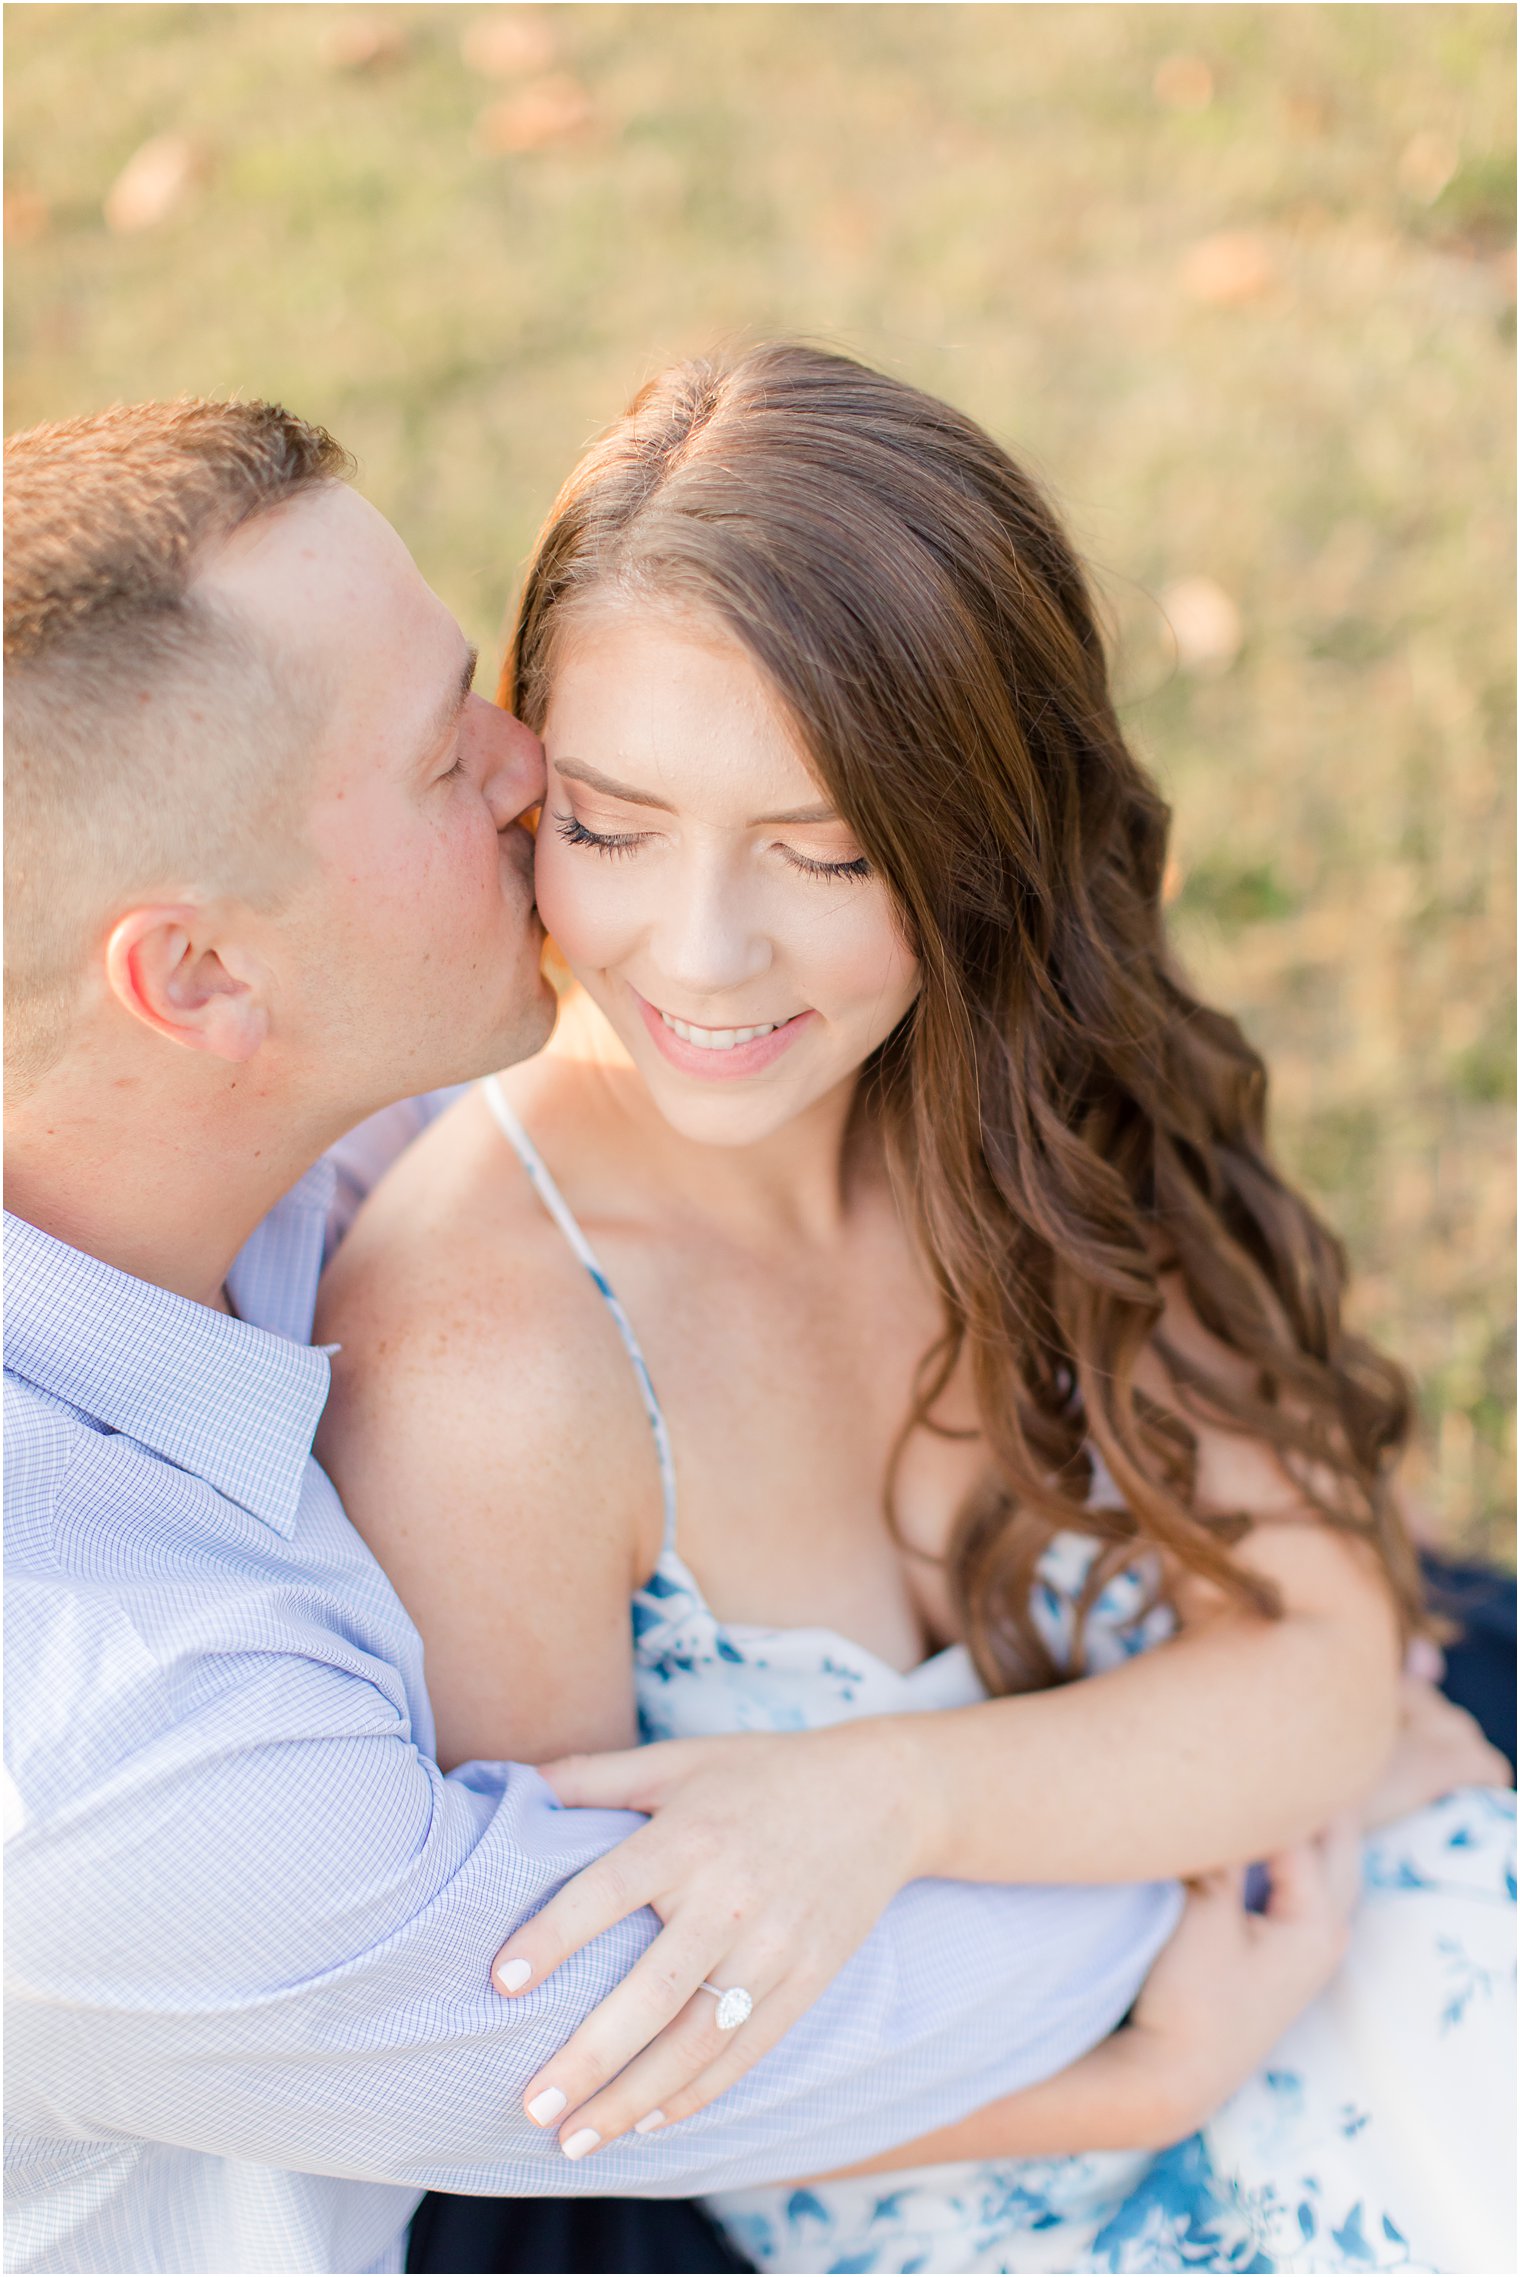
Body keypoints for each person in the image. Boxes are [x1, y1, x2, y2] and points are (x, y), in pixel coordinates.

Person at [2, 396, 1314, 2277]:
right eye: (448, 756)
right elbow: (646, 2046)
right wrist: (1266, 1809)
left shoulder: (234, 1119)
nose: (530, 766)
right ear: (198, 975)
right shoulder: (105, 1754)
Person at [318, 344, 1516, 2274]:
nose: (702, 957)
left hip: (1369, 1943)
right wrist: (1150, 2061)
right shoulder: (489, 1368)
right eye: (613, 827)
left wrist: (874, 1799)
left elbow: (1318, 1664)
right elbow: (577, 2060)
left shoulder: (1013, 1102)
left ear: (981, 842)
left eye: (830, 853)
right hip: (1009, 2173)